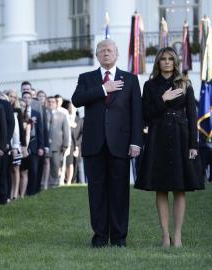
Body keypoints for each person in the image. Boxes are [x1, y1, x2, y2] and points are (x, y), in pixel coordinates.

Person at [72, 39, 142, 248]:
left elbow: (136, 113)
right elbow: (77, 100)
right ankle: (100, 236)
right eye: (102, 50)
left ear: (117, 54)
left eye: (109, 50)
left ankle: (119, 238)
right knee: (97, 193)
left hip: (120, 145)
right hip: (94, 145)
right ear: (96, 55)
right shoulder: (87, 78)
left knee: (120, 192)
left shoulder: (130, 79)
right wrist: (104, 89)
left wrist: (136, 142)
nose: (106, 53)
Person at [134, 47, 204, 247]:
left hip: (181, 138)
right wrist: (163, 99)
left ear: (175, 62)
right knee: (161, 188)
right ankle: (165, 236)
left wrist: (193, 144)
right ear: (158, 62)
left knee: (180, 189)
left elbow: (192, 116)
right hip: (158, 138)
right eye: (163, 59)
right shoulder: (149, 85)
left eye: (170, 59)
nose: (166, 62)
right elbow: (145, 114)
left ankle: (178, 236)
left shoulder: (185, 83)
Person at [46, 96, 70, 187]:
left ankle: (54, 183)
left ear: (56, 104)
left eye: (53, 102)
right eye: (49, 102)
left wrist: (65, 144)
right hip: (45, 145)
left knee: (56, 165)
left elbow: (66, 131)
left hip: (57, 145)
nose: (51, 103)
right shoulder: (44, 114)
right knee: (46, 165)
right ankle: (46, 183)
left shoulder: (62, 115)